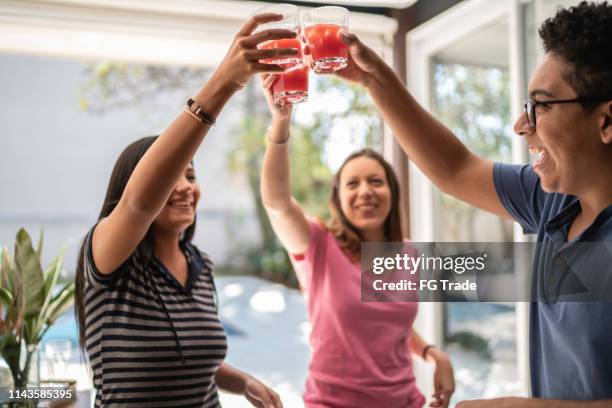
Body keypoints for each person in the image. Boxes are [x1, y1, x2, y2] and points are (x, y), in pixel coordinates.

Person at [331, 1, 612, 407]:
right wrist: (374, 80)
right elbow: (455, 168)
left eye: (542, 105)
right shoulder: (550, 201)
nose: (520, 125)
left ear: (606, 122)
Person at [74, 13, 299, 408]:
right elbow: (139, 204)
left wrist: (243, 382)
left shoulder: (200, 264)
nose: (184, 187)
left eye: (191, 175)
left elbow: (194, 358)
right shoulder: (108, 258)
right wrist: (224, 82)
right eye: (172, 176)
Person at [258, 74, 455, 408]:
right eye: (353, 184)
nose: (365, 191)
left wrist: (433, 353)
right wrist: (281, 123)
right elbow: (276, 202)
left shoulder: (408, 253)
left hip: (404, 401)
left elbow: (387, 330)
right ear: (339, 198)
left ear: (392, 193)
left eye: (376, 181)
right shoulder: (317, 244)